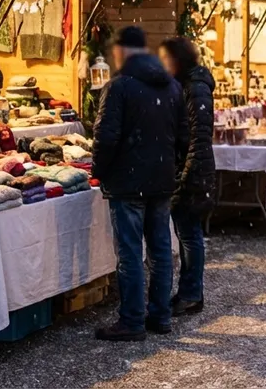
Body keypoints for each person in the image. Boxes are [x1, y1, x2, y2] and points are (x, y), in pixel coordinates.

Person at [92, 26, 181, 341]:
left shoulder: (119, 87)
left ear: (122, 52)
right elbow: (181, 136)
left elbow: (106, 136)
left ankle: (132, 321)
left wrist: (99, 170)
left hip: (128, 184)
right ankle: (160, 315)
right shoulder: (171, 86)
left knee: (130, 253)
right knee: (160, 250)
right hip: (161, 181)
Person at [158, 38, 216, 317]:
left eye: (165, 59)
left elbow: (198, 137)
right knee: (186, 234)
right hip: (187, 168)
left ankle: (192, 294)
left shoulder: (195, 88)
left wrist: (185, 175)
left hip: (192, 171)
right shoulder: (187, 85)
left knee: (190, 235)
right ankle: (188, 291)